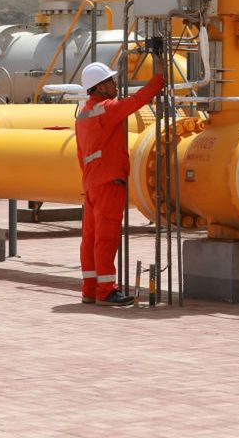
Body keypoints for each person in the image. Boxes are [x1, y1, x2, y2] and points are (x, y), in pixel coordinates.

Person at [76, 61, 164, 306]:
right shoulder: (106, 109)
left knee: (91, 238)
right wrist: (158, 80)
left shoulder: (82, 114)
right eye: (111, 81)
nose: (115, 85)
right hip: (108, 183)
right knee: (106, 238)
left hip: (92, 183)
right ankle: (106, 291)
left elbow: (80, 155)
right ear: (101, 87)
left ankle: (90, 289)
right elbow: (135, 102)